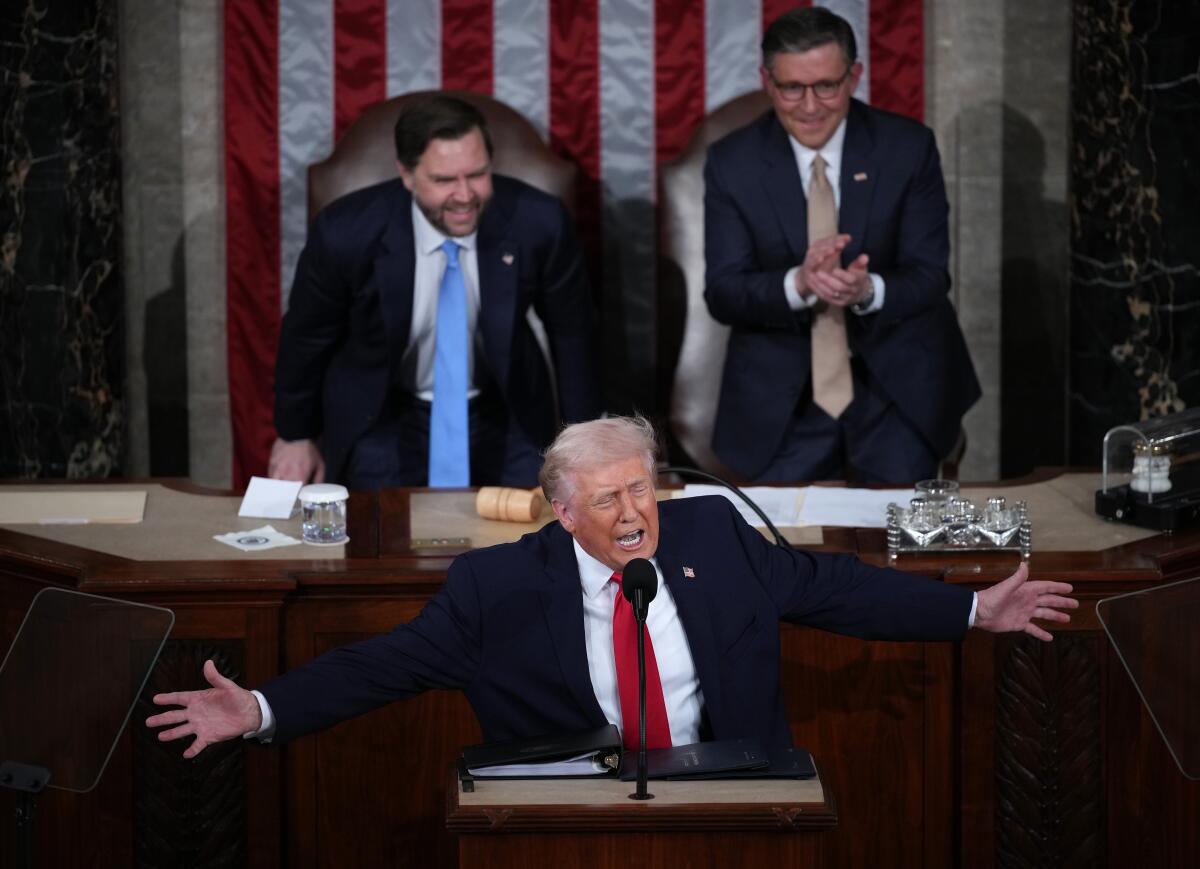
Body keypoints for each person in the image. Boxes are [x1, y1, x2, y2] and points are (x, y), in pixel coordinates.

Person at [147, 416, 1076, 759]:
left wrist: (973, 608)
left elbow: (833, 587)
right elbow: (384, 665)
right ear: (560, 511)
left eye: (643, 487)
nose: (635, 512)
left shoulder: (713, 534)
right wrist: (263, 707)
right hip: (571, 814)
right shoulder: (494, 587)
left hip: (730, 792)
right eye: (608, 498)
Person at [704, 7, 980, 484]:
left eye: (827, 86)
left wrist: (866, 290)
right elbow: (724, 292)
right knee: (778, 548)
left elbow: (931, 276)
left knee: (900, 546)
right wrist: (799, 283)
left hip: (897, 392)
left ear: (854, 76)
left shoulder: (907, 148)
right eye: (792, 88)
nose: (810, 106)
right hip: (783, 402)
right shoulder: (733, 162)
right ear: (767, 81)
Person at [269, 95, 601, 489]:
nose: (464, 196)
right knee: (380, 542)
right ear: (407, 176)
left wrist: (587, 438)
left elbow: (573, 333)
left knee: (530, 538)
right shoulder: (345, 232)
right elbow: (307, 336)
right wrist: (295, 435)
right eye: (443, 180)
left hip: (505, 406)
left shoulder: (538, 221)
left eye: (477, 174)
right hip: (383, 411)